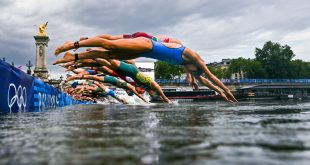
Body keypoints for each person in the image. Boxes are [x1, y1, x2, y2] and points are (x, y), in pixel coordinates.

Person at [54, 34, 237, 102]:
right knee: (110, 45)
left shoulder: (189, 67)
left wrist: (219, 94)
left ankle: (74, 57)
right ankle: (73, 45)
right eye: (196, 75)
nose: (196, 77)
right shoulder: (194, 57)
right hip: (148, 45)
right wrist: (227, 90)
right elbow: (211, 77)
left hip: (146, 51)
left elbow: (205, 81)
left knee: (109, 55)